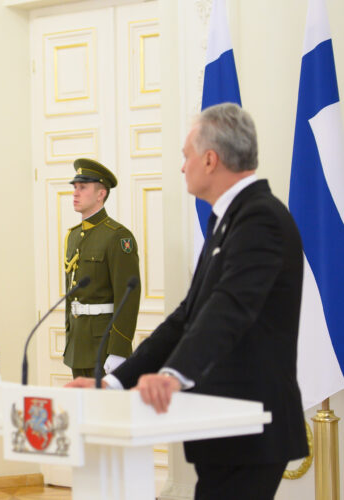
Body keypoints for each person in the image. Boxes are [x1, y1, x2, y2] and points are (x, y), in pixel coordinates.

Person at [66, 103, 308, 499]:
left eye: (186, 156)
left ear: (210, 160)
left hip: (250, 424)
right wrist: (112, 383)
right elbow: (186, 318)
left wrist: (172, 374)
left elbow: (228, 309)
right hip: (222, 425)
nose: (182, 167)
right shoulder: (226, 220)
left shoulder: (260, 218)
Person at [64, 158, 141, 378]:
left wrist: (119, 350)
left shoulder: (117, 236)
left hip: (104, 346)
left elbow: (128, 296)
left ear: (101, 194)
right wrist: (70, 337)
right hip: (78, 345)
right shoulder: (72, 236)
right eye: (75, 188)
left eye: (83, 188)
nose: (75, 194)